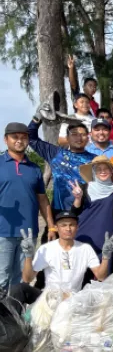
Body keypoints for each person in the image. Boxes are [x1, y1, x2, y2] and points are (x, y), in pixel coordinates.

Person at [0, 123, 54, 290]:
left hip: (29, 233)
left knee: (22, 280)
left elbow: (42, 199)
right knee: (2, 276)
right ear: (6, 140)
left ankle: (15, 307)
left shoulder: (34, 168)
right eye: (15, 137)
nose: (19, 140)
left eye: (23, 137)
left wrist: (51, 226)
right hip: (3, 232)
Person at [21, 211, 113, 292]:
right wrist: (28, 256)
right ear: (56, 228)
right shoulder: (46, 249)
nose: (68, 229)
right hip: (50, 297)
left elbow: (101, 276)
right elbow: (27, 278)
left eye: (71, 225)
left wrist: (105, 257)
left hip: (73, 299)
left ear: (77, 227)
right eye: (63, 225)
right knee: (19, 289)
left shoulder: (85, 248)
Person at [28, 115, 96, 213]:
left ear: (88, 138)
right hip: (60, 210)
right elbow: (31, 138)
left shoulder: (95, 159)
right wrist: (37, 119)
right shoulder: (56, 154)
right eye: (74, 134)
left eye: (83, 134)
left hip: (87, 211)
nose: (79, 138)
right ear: (67, 138)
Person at [71, 156, 113, 279]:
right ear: (94, 171)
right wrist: (78, 198)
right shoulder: (84, 188)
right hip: (83, 237)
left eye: (106, 169)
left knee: (104, 279)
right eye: (99, 169)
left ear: (111, 171)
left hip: (105, 240)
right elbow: (74, 213)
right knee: (81, 278)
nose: (103, 171)